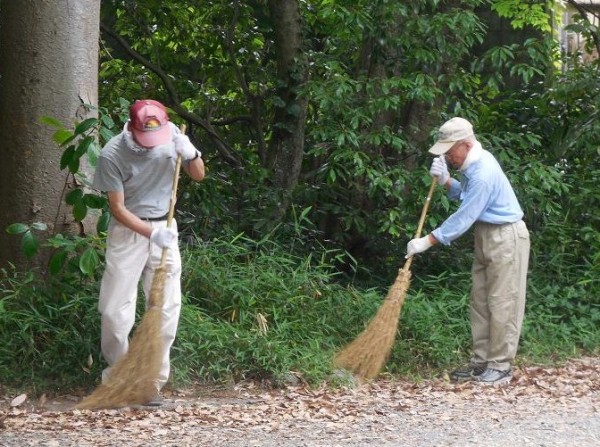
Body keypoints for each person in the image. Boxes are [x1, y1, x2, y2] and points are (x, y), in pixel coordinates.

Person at [92, 99, 205, 405]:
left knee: (166, 309)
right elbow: (116, 208)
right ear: (131, 127)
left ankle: (150, 382)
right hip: (130, 232)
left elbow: (198, 174)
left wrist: (191, 153)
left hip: (165, 227)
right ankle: (120, 377)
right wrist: (151, 234)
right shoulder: (112, 154)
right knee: (115, 311)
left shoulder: (174, 139)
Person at [406, 117, 530, 386]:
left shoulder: (483, 171)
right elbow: (468, 196)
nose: (447, 156)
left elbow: (465, 216)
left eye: (450, 150)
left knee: (502, 301)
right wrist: (447, 181)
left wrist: (427, 241)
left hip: (506, 236)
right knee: (481, 300)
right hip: (487, 234)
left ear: (466, 144)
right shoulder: (473, 167)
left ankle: (500, 366)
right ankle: (481, 361)